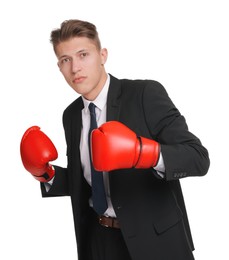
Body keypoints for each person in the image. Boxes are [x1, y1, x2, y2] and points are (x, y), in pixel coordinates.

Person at [20, 19, 210, 260]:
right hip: (99, 241)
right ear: (59, 67)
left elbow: (198, 158)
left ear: (102, 55)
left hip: (156, 241)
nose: (75, 68)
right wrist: (46, 175)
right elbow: (89, 180)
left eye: (83, 54)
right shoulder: (70, 115)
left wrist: (145, 153)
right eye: (65, 60)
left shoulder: (144, 94)